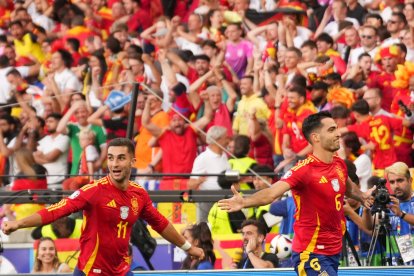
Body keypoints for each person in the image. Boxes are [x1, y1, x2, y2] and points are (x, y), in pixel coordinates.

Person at [1, 138, 204, 275]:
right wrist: (18, 223)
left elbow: (160, 223)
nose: (114, 164)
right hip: (92, 271)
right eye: (110, 158)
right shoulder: (94, 191)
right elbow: (57, 209)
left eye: (121, 158)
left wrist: (188, 247)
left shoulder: (138, 194)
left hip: (122, 270)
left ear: (133, 161)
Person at [218, 111, 374, 276]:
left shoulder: (339, 165)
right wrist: (244, 202)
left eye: (336, 129)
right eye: (331, 130)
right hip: (310, 252)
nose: (338, 134)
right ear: (316, 137)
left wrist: (363, 196)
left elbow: (348, 188)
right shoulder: (303, 170)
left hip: (333, 250)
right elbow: (272, 193)